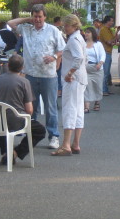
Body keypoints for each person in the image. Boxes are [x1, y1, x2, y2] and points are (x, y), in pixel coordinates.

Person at [8, 4, 66, 150]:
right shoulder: (26, 29)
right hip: (30, 75)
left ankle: (53, 136)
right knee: (30, 108)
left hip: (48, 75)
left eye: (40, 16)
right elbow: (10, 23)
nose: (37, 19)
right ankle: (31, 135)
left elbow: (62, 49)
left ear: (45, 16)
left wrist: (53, 57)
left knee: (50, 107)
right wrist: (27, 18)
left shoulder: (53, 30)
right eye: (35, 16)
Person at [0, 54, 46, 166]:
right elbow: (29, 110)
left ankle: (5, 153)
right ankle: (16, 152)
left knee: (2, 121)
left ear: (8, 65)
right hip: (16, 120)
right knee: (40, 130)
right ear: (22, 67)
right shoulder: (24, 82)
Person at [51, 14, 87, 156]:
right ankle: (75, 144)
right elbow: (85, 58)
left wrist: (70, 73)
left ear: (74, 26)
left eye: (67, 25)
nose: (64, 28)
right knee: (78, 111)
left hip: (73, 79)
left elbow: (79, 58)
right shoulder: (79, 38)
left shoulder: (73, 40)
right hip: (80, 78)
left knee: (69, 109)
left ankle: (66, 145)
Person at [83, 27, 106, 113]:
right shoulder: (83, 44)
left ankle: (97, 102)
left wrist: (100, 63)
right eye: (86, 32)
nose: (86, 34)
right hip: (86, 68)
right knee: (86, 87)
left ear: (92, 34)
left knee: (97, 86)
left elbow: (103, 55)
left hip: (96, 68)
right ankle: (87, 106)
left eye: (88, 32)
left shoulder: (98, 44)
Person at [99, 15, 115, 95]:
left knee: (107, 72)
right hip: (105, 52)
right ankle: (103, 90)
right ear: (107, 21)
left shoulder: (109, 30)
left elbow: (113, 40)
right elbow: (109, 41)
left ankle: (106, 89)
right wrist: (113, 41)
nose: (112, 22)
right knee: (105, 72)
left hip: (109, 52)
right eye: (111, 21)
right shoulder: (104, 30)